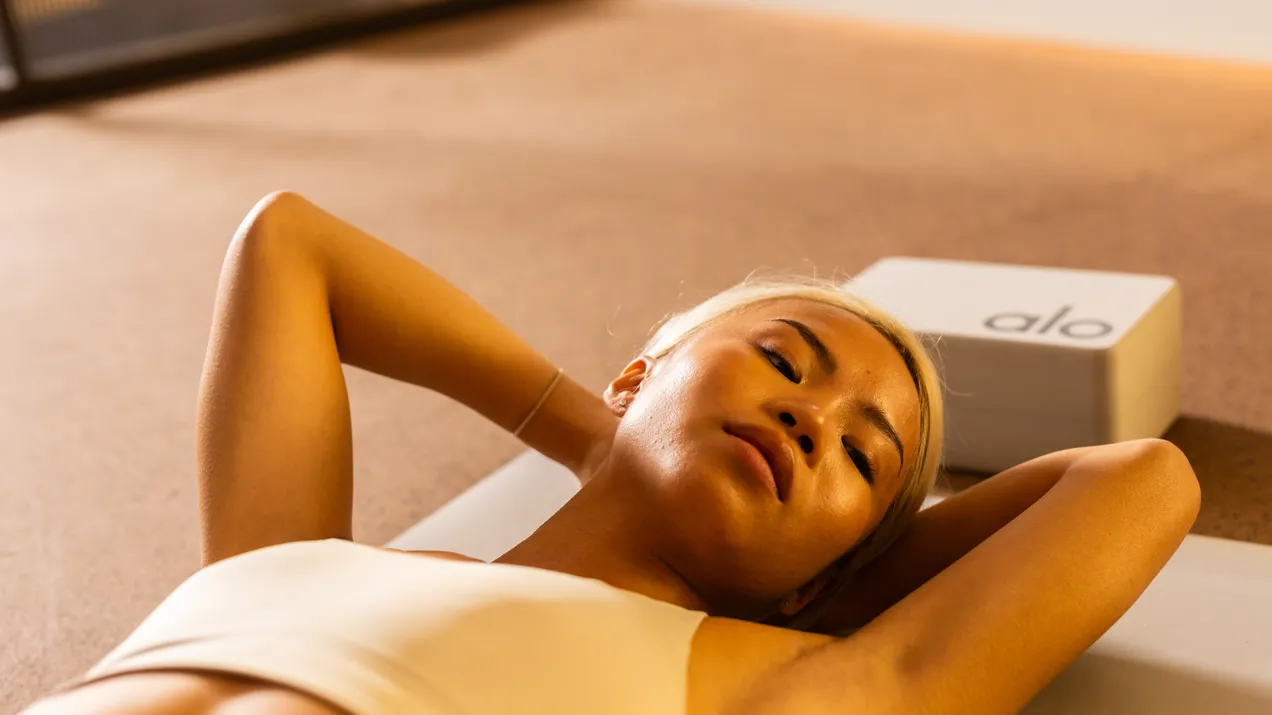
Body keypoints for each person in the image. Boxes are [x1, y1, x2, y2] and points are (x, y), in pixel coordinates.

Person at [24, 192, 1200, 715]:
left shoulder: (772, 685)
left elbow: (1141, 478)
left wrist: (819, 583)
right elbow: (293, 241)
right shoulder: (291, 555)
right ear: (636, 376)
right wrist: (610, 439)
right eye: (787, 366)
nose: (809, 419)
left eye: (862, 456)